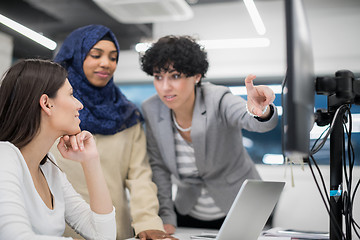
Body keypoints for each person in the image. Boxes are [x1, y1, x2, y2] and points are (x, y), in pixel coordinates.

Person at [140, 35, 278, 234]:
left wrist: (260, 111)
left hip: (241, 208)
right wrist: (166, 215)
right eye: (158, 76)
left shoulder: (217, 98)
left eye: (175, 76)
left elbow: (250, 119)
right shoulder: (152, 109)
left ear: (196, 76)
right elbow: (159, 168)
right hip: (189, 211)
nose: (165, 87)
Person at [51, 24, 175, 240]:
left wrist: (148, 223)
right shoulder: (50, 110)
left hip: (115, 230)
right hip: (59, 230)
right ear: (75, 57)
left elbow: (140, 176)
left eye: (113, 57)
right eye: (96, 55)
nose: (106, 63)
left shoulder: (126, 115)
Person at [0, 59, 116, 239]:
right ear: (46, 103)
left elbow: (104, 236)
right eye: (71, 94)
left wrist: (91, 160)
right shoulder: (4, 155)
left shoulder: (48, 167)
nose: (79, 105)